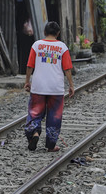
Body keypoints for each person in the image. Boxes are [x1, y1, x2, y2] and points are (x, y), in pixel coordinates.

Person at [23, 21, 74, 152]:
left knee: (35, 113)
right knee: (54, 116)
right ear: (58, 33)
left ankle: (34, 133)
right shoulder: (62, 47)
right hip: (56, 88)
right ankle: (51, 145)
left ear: (44, 32)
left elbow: (30, 65)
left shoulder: (36, 45)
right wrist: (71, 85)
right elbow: (67, 69)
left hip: (38, 86)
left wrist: (27, 81)